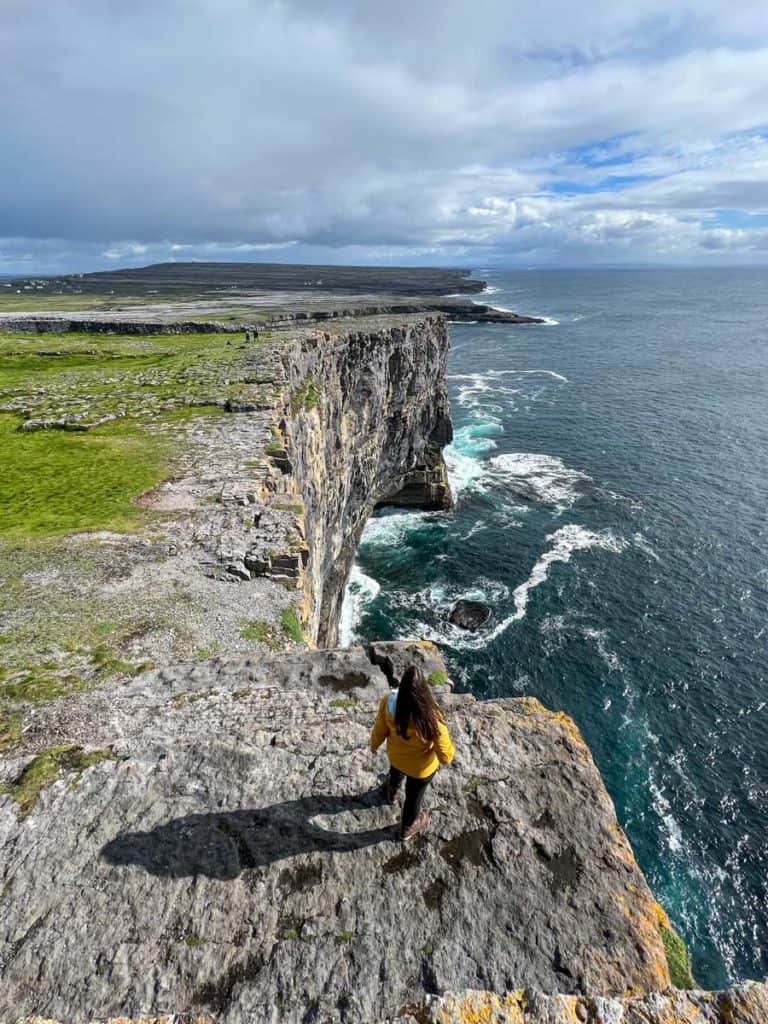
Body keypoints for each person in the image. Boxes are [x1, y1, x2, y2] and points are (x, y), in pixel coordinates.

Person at [369, 665, 455, 841]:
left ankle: (391, 793)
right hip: (420, 769)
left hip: (396, 757)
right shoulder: (432, 719)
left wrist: (374, 745)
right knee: (413, 799)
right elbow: (445, 757)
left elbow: (379, 729)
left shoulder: (388, 703)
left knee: (395, 772)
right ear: (424, 691)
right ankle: (407, 828)